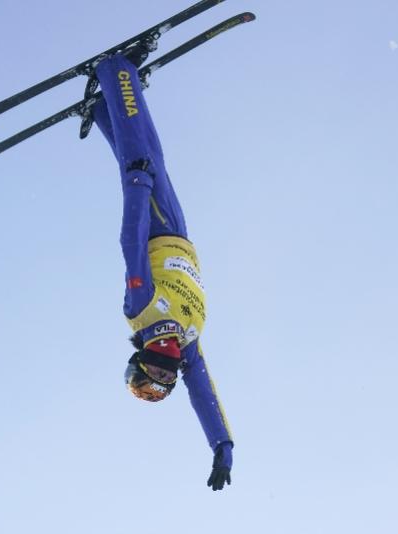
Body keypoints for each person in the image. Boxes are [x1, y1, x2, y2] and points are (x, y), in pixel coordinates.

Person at [90, 48, 233, 491]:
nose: (168, 376)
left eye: (155, 378)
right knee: (153, 154)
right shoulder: (187, 344)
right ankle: (104, 106)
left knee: (145, 155)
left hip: (152, 225)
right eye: (166, 384)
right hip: (180, 233)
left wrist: (136, 186)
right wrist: (221, 447)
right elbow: (205, 396)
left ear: (144, 363)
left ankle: (117, 71)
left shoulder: (143, 310)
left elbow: (129, 244)